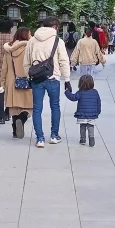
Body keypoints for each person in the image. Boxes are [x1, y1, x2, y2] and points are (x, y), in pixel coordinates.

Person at [23, 17, 71, 148]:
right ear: (55, 27)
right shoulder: (58, 41)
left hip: (37, 79)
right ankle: (54, 136)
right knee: (55, 106)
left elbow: (26, 62)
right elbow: (64, 61)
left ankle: (40, 138)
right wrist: (67, 79)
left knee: (37, 109)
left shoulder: (32, 41)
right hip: (53, 78)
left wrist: (30, 75)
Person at [0, 27, 34, 138]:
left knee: (14, 108)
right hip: (27, 81)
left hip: (11, 81)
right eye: (30, 33)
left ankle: (15, 131)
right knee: (28, 106)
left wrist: (2, 82)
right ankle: (22, 119)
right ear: (26, 35)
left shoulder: (8, 49)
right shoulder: (30, 47)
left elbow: (4, 68)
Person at [66, 74, 102, 146]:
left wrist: (67, 92)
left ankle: (83, 139)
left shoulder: (80, 92)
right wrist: (98, 111)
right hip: (92, 114)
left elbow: (73, 98)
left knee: (83, 126)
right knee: (90, 125)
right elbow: (98, 102)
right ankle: (91, 138)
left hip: (82, 114)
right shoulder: (95, 92)